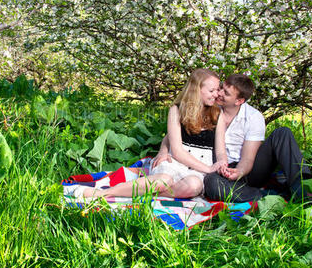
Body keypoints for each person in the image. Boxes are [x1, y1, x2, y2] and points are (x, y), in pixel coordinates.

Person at [65, 68, 223, 200]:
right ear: (196, 90)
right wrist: (164, 151)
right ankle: (103, 193)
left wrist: (219, 164)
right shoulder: (177, 110)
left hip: (199, 167)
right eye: (212, 90)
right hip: (176, 161)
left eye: (217, 89)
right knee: (163, 180)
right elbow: (178, 150)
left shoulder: (218, 114)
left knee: (194, 186)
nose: (217, 94)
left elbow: (220, 149)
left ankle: (144, 191)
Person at [202, 74, 311, 202]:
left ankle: (303, 190)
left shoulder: (253, 117)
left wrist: (239, 172)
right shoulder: (208, 109)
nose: (218, 93)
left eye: (225, 93)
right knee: (211, 184)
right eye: (221, 88)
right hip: (218, 171)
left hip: (248, 170)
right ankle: (267, 196)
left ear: (239, 101)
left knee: (283, 133)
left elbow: (248, 158)